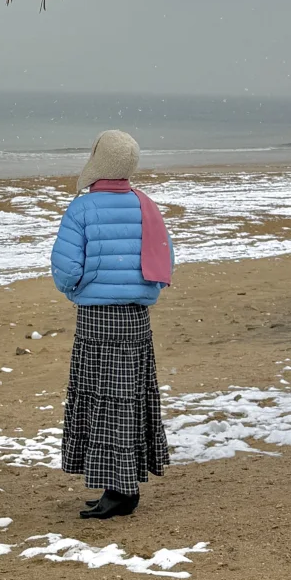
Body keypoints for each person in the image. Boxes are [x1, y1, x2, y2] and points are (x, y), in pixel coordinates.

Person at [50, 129, 173, 520]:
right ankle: (124, 486)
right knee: (128, 402)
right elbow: (166, 260)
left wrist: (79, 290)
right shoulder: (146, 206)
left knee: (102, 401)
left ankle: (118, 491)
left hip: (97, 320)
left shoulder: (83, 209)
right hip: (136, 320)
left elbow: (65, 269)